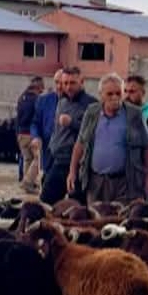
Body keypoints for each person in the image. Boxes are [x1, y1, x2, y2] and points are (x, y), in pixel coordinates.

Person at [68, 73, 148, 205]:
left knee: (121, 220)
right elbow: (80, 143)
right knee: (95, 219)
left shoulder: (134, 114)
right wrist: (72, 172)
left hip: (125, 182)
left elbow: (147, 146)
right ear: (101, 95)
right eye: (110, 94)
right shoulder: (92, 112)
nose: (115, 97)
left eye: (118, 93)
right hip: (96, 182)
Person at [40, 67, 97, 204]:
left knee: (77, 205)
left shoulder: (91, 104)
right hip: (57, 160)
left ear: (81, 82)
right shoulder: (62, 102)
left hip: (78, 164)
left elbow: (93, 132)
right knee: (46, 202)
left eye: (72, 83)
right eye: (65, 83)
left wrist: (72, 123)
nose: (68, 87)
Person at [31, 69, 63, 180]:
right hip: (47, 153)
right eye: (57, 82)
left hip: (66, 156)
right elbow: (35, 123)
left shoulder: (75, 103)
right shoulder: (43, 100)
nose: (59, 86)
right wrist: (35, 137)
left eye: (62, 83)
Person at [16, 76, 44, 194]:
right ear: (38, 87)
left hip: (20, 133)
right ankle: (27, 182)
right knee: (39, 159)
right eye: (42, 87)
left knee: (28, 159)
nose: (43, 90)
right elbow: (38, 117)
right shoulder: (37, 100)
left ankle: (28, 184)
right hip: (31, 134)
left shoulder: (21, 98)